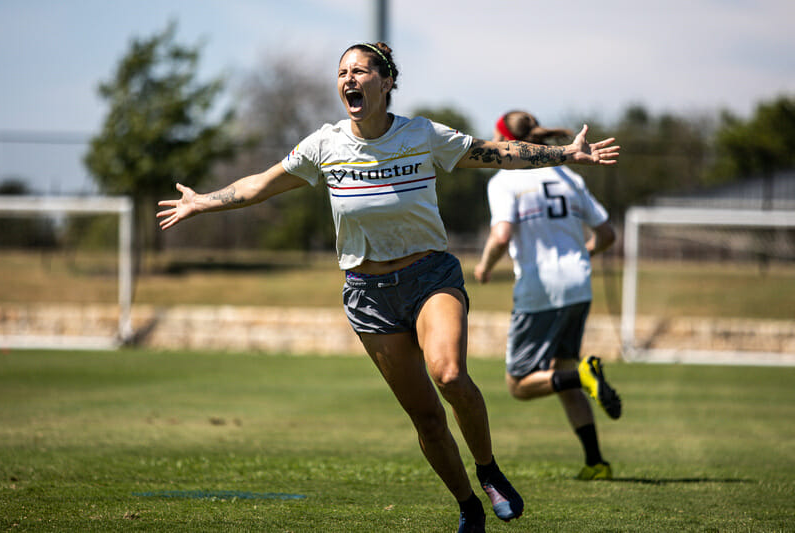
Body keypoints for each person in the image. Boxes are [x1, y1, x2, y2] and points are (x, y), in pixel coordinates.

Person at [157, 43, 619, 533]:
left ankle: (488, 470)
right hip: (367, 294)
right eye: (341, 73)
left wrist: (564, 154)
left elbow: (495, 151)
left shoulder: (422, 135)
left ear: (385, 81)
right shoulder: (324, 145)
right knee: (425, 418)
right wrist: (202, 202)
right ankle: (468, 506)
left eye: (359, 71)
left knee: (449, 376)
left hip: (430, 278)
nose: (348, 79)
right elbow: (258, 185)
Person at [474, 110, 622, 483]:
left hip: (540, 288)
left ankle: (584, 377)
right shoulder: (568, 175)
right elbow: (607, 235)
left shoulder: (506, 180)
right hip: (578, 286)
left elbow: (502, 235)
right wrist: (579, 256)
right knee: (564, 370)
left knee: (519, 384)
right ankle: (596, 462)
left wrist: (484, 267)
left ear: (507, 141)